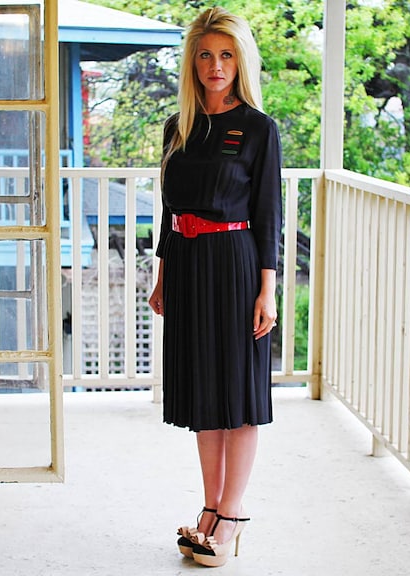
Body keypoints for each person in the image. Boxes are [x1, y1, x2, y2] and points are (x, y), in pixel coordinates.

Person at [148, 6, 282, 568]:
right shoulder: (177, 125)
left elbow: (267, 212)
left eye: (226, 54)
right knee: (205, 394)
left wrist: (267, 289)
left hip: (235, 265)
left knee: (239, 396)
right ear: (193, 62)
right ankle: (208, 510)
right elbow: (168, 206)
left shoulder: (258, 128)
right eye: (205, 54)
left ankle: (231, 517)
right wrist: (161, 272)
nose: (215, 64)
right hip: (186, 262)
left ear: (240, 60)